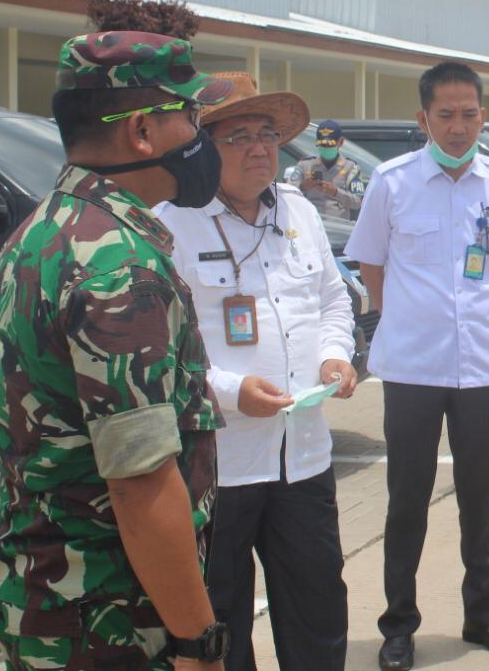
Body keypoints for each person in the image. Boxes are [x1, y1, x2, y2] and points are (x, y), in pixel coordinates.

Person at [0, 32, 231, 669]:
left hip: (41, 596)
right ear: (142, 131)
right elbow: (140, 484)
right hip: (110, 622)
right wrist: (198, 640)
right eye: (190, 114)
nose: (200, 135)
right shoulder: (120, 269)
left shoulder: (42, 233)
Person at [156, 72, 358, 670]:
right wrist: (228, 390)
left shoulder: (298, 211)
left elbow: (332, 300)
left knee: (318, 606)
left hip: (304, 456)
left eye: (267, 134)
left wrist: (335, 354)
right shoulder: (171, 222)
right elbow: (165, 347)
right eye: (238, 136)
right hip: (219, 463)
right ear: (201, 146)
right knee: (222, 616)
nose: (258, 149)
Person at [345, 61, 489, 671]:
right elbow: (371, 263)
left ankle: (483, 614)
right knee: (407, 502)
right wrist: (405, 317)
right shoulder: (392, 181)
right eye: (446, 115)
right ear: (423, 117)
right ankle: (399, 624)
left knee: (481, 501)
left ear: (484, 115)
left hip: (483, 365)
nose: (458, 127)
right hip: (413, 368)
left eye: (469, 114)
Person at [297, 118, 366, 219]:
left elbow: (357, 202)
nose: (326, 148)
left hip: (338, 225)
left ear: (340, 142)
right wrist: (302, 187)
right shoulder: (305, 165)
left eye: (330, 145)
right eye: (322, 145)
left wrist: (335, 192)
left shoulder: (351, 168)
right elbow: (288, 195)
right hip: (310, 222)